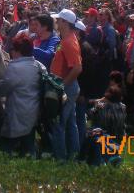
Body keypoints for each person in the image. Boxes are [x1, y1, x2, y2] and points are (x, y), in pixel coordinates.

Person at [0, 35, 43, 157]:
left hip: (17, 112)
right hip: (34, 111)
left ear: (18, 51)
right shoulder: (39, 66)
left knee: (6, 148)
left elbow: (3, 90)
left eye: (13, 49)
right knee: (29, 144)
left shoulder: (14, 67)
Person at [51, 9, 83, 160]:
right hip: (68, 86)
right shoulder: (67, 39)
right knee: (70, 123)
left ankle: (61, 158)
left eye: (58, 20)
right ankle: (74, 154)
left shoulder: (69, 42)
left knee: (59, 124)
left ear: (65, 22)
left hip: (67, 88)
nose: (56, 22)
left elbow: (77, 68)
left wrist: (62, 86)